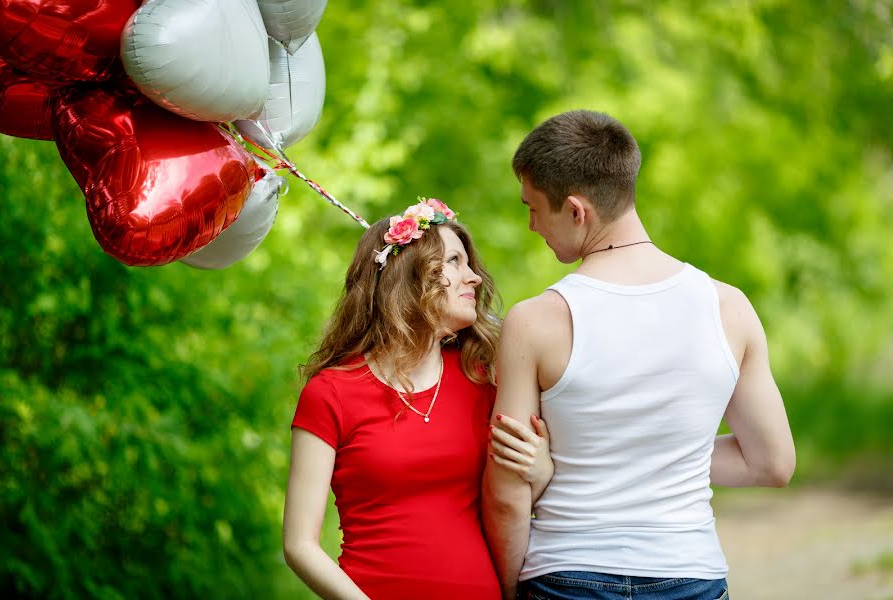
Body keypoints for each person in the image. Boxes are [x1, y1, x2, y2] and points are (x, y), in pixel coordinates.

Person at [482, 110, 796, 600]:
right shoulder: (729, 307)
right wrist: (664, 457)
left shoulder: (536, 320)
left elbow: (507, 495)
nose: (530, 225)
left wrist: (505, 590)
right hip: (689, 575)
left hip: (567, 575)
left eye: (534, 208)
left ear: (576, 210)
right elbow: (773, 463)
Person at [282, 198, 554, 599]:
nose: (475, 278)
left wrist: (542, 470)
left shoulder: (483, 380)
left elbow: (508, 503)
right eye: (455, 262)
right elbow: (299, 545)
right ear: (411, 277)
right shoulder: (331, 393)